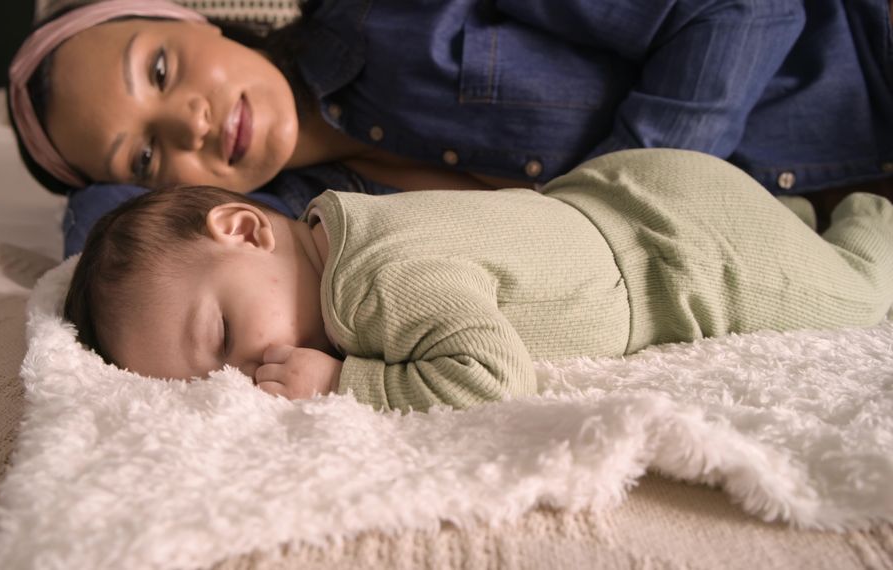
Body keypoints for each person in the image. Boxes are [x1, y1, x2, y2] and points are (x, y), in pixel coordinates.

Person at [9, 0, 893, 258]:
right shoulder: (314, 230)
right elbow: (104, 243)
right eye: (144, 154)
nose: (189, 123)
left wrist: (617, 216)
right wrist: (111, 195)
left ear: (194, 19)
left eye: (161, 70)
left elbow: (746, 7)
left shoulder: (397, 13)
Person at [61, 149, 893, 413]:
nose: (248, 377)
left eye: (225, 340)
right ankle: (798, 220)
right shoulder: (343, 225)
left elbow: (494, 376)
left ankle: (869, 215)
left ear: (246, 230)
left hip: (679, 258)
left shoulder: (374, 284)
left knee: (856, 296)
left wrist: (350, 384)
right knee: (788, 232)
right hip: (636, 186)